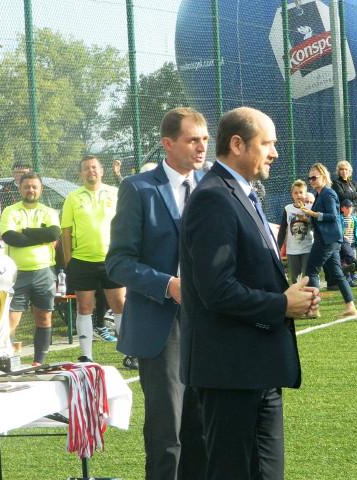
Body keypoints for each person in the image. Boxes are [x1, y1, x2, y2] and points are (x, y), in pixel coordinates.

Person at [179, 106, 319, 480]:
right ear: (238, 144)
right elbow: (216, 289)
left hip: (255, 370)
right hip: (231, 374)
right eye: (267, 143)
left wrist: (290, 297)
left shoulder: (241, 193)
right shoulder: (214, 198)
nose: (275, 153)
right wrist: (281, 304)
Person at [106, 107, 209, 480]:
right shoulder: (139, 188)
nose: (201, 147)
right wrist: (169, 285)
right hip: (162, 325)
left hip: (210, 322)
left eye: (204, 139)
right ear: (168, 143)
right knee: (169, 431)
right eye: (192, 140)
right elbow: (118, 263)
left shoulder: (212, 185)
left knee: (204, 429)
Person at [61, 156, 125, 363]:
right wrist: (69, 261)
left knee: (120, 305)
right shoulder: (72, 197)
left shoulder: (115, 193)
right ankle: (86, 355)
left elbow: (126, 224)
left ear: (102, 170)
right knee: (84, 307)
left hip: (112, 259)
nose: (91, 171)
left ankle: (129, 353)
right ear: (80, 173)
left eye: (94, 167)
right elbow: (66, 231)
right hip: (82, 261)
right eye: (86, 168)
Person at [0, 172, 60, 365]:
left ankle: (38, 362)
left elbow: (53, 233)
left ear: (40, 189)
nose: (30, 190)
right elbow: (11, 238)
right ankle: (7, 360)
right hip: (16, 274)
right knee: (10, 320)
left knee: (44, 318)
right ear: (20, 189)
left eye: (34, 187)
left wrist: (25, 231)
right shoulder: (10, 211)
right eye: (27, 187)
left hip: (44, 272)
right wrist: (41, 237)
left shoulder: (49, 212)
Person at [301, 163, 357, 318]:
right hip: (329, 239)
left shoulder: (328, 193)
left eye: (314, 177)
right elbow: (322, 217)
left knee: (311, 271)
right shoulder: (320, 194)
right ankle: (350, 306)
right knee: (337, 273)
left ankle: (314, 309)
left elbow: (333, 216)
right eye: (309, 178)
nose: (311, 181)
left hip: (327, 240)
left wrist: (313, 214)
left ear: (323, 176)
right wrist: (309, 217)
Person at [277, 179, 314, 284]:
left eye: (301, 192)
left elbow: (316, 226)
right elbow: (282, 230)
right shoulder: (288, 209)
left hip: (308, 248)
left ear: (305, 194)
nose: (298, 195)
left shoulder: (311, 208)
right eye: (296, 193)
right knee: (294, 280)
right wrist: (278, 247)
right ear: (292, 194)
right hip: (292, 250)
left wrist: (307, 219)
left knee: (308, 278)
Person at [339, 198, 357, 287]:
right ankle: (348, 279)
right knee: (345, 262)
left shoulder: (354, 219)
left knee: (353, 261)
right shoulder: (339, 219)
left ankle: (353, 278)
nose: (349, 209)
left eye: (351, 207)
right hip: (343, 245)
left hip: (352, 244)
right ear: (342, 208)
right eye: (347, 207)